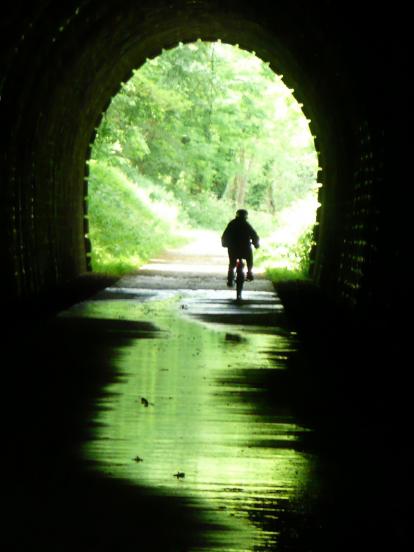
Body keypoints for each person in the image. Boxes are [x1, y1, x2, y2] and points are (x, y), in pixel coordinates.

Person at [221, 209, 260, 287]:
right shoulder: (246, 224)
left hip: (233, 248)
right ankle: (249, 273)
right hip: (245, 248)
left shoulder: (232, 224)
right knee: (249, 259)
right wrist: (256, 244)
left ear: (236, 215)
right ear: (246, 217)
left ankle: (230, 278)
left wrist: (224, 244)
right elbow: (254, 235)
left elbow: (224, 236)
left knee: (232, 263)